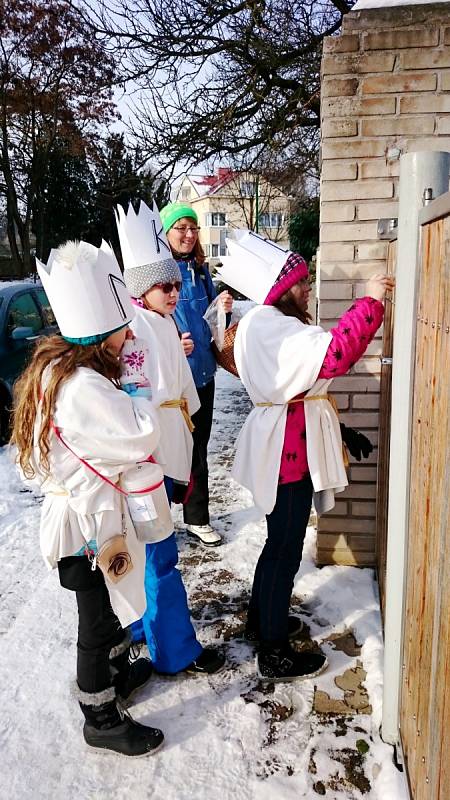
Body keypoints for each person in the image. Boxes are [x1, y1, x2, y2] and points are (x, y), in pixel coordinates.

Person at [217, 231, 395, 683]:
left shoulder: (263, 322)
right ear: (283, 288)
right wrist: (370, 302)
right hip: (287, 454)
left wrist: (341, 429)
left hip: (284, 445)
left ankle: (262, 620)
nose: (308, 288)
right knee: (284, 550)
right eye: (302, 282)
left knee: (277, 544)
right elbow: (335, 355)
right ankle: (273, 651)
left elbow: (304, 389)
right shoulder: (274, 325)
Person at [10, 240, 165, 757]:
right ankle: (100, 715)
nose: (127, 334)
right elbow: (140, 436)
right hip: (85, 532)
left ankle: (117, 679)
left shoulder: (62, 373)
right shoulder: (83, 389)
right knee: (95, 624)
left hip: (83, 521)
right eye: (122, 327)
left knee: (105, 611)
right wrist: (139, 391)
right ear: (100, 336)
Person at [115, 200, 225, 676]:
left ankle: (141, 627)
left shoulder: (160, 321)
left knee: (150, 552)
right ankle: (175, 649)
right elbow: (138, 399)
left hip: (162, 449)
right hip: (148, 458)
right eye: (165, 285)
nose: (176, 291)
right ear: (143, 290)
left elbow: (181, 388)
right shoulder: (135, 330)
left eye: (178, 283)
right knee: (161, 555)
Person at [160, 202, 233, 547]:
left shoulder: (200, 269)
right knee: (165, 450)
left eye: (193, 228)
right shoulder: (157, 272)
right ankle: (156, 520)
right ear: (166, 232)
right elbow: (144, 322)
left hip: (203, 375)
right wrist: (172, 344)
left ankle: (196, 517)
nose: (189, 235)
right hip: (173, 383)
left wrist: (222, 310)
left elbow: (211, 324)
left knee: (198, 448)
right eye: (181, 228)